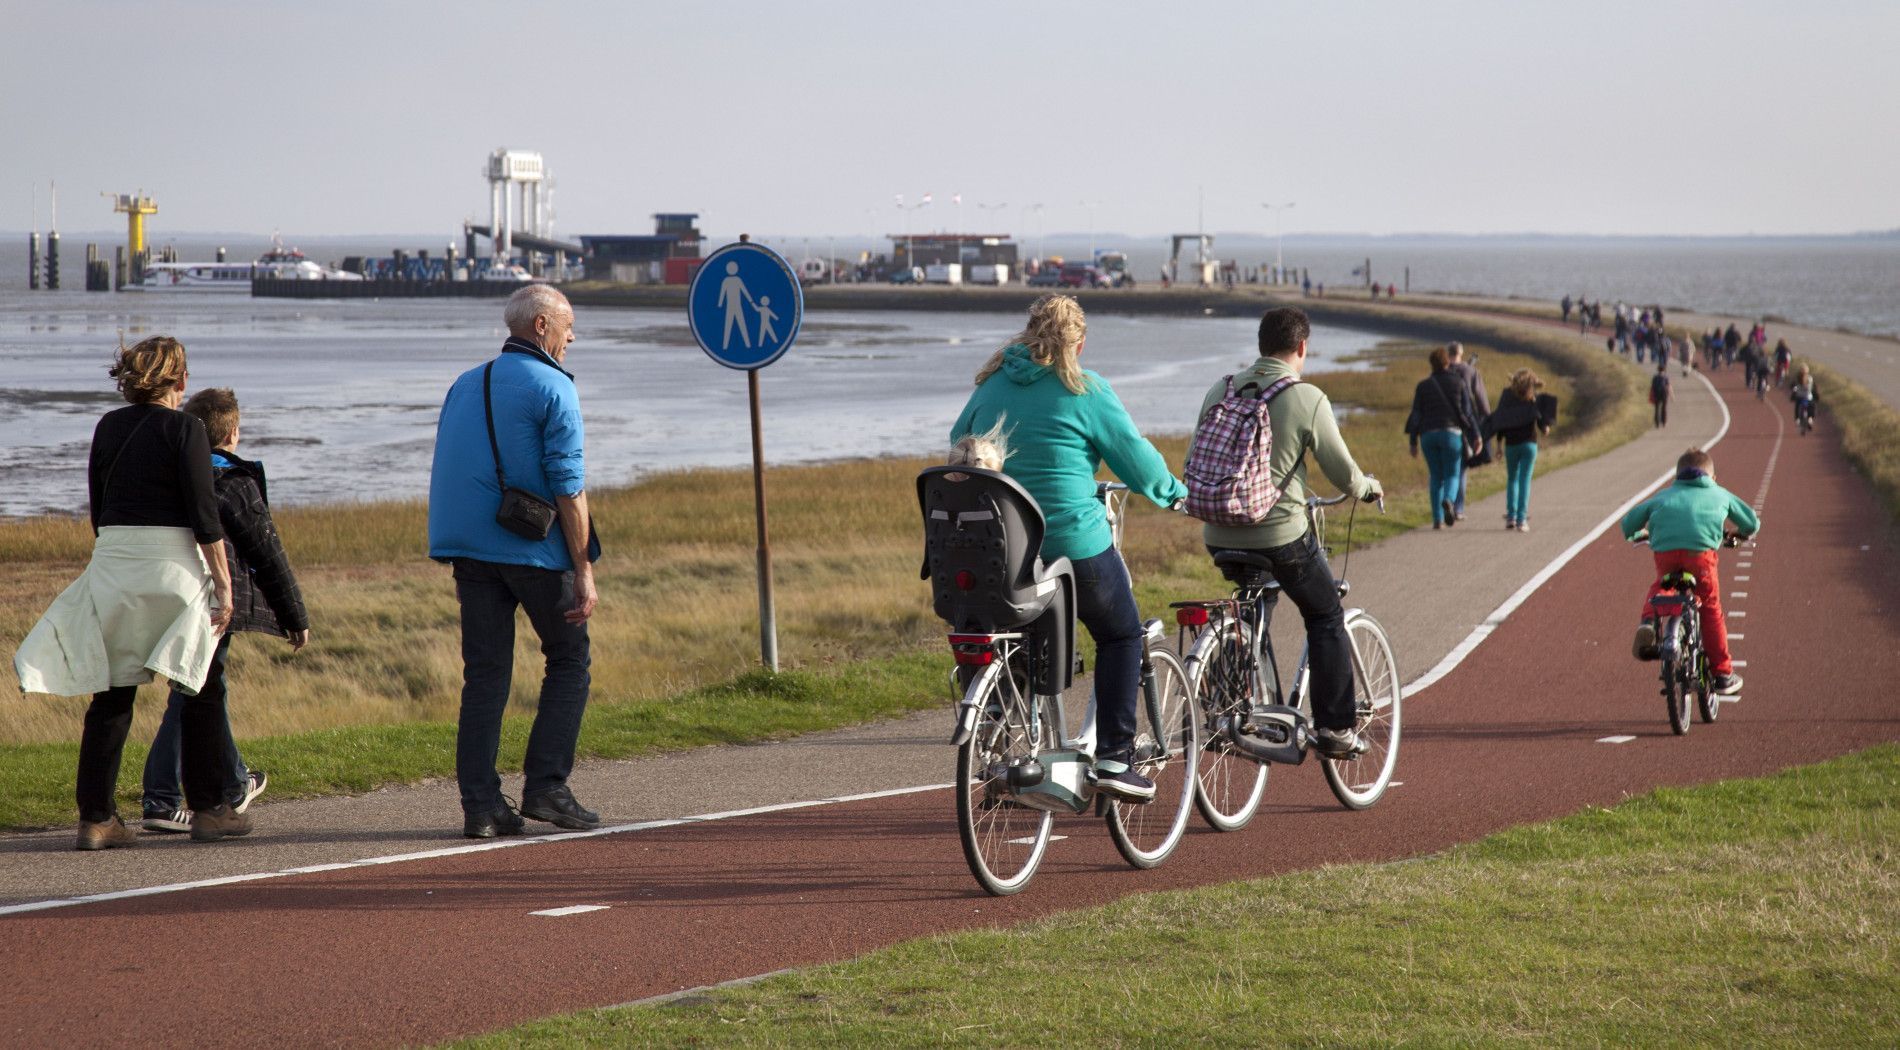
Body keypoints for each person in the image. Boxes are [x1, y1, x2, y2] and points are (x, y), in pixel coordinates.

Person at [950, 294, 1186, 800]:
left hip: (1003, 554)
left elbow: (959, 446)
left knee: (1023, 634)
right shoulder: (1085, 388)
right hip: (1073, 547)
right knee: (1121, 635)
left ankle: (1001, 741)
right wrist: (1173, 493)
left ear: (1027, 333)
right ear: (1078, 342)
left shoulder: (989, 388)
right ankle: (1115, 760)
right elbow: (1138, 463)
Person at [13, 336, 239, 850]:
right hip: (174, 567)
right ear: (180, 381)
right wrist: (223, 585)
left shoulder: (108, 426)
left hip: (115, 561)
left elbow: (99, 507)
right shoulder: (186, 429)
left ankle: (97, 818)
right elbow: (206, 518)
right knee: (199, 685)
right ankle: (209, 810)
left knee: (111, 696)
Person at [428, 285, 601, 839]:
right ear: (543, 326)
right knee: (569, 658)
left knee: (484, 677)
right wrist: (584, 568)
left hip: (469, 550)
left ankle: (481, 806)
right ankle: (547, 788)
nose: (574, 337)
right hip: (532, 548)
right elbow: (569, 488)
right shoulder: (554, 387)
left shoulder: (465, 382)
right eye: (569, 326)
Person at [1196, 308, 1383, 756]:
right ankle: (1336, 728)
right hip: (1280, 535)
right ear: (1302, 347)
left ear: (1261, 345)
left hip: (1218, 533)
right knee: (1324, 615)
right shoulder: (1307, 397)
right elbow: (1343, 473)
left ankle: (1234, 700)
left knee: (1253, 605)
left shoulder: (1219, 390)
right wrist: (1369, 488)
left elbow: (1198, 462)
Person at [140, 388, 309, 834]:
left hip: (171, 589)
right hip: (216, 598)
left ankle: (233, 782)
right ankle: (164, 796)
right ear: (233, 432)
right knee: (194, 688)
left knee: (200, 686)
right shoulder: (233, 481)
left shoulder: (169, 475)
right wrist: (295, 616)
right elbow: (267, 551)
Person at [1621, 448, 1756, 694]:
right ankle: (1723, 674)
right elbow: (1751, 522)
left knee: (1662, 587)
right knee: (1711, 608)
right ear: (1711, 478)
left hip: (1667, 554)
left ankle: (1649, 623)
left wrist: (1638, 533)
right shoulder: (1719, 493)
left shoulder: (1664, 495)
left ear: (1677, 476)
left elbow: (1628, 523)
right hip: (1701, 556)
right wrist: (1741, 534)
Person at [1407, 346, 1480, 529]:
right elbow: (1468, 413)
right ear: (1447, 362)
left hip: (1428, 435)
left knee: (1435, 476)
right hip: (1451, 434)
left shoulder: (1423, 386)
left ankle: (1437, 519)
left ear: (1431, 364)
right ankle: (1448, 500)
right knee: (1452, 474)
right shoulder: (1459, 383)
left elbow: (1416, 414)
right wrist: (1476, 435)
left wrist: (1413, 441)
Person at [1485, 369, 1551, 531]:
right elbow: (1542, 423)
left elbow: (1501, 420)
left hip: (1511, 444)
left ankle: (1511, 517)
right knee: (1524, 480)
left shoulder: (1507, 397)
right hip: (1529, 444)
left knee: (1512, 479)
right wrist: (1545, 428)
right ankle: (1522, 520)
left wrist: (1499, 444)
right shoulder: (1533, 397)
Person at [1446, 343, 1490, 520]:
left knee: (1444, 471)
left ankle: (1445, 504)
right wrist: (1486, 419)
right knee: (1461, 469)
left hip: (1444, 422)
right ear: (1461, 353)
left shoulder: (1442, 369)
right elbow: (1481, 398)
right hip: (1465, 424)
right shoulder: (1470, 371)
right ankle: (1458, 508)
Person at [1790, 364, 1818, 432]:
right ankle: (1810, 420)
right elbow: (1814, 389)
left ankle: (1797, 419)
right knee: (1812, 407)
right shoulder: (1810, 378)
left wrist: (1794, 391)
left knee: (1797, 407)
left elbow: (1792, 386)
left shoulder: (1797, 378)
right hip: (1808, 398)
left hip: (1799, 397)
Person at [1649, 360, 1673, 428]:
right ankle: (1664, 422)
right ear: (1664, 370)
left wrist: (1651, 395)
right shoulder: (1665, 377)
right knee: (1664, 408)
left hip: (1656, 393)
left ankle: (1657, 423)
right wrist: (1672, 396)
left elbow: (1652, 387)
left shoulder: (1655, 377)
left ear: (1658, 369)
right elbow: (1669, 386)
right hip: (1664, 394)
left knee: (1656, 408)